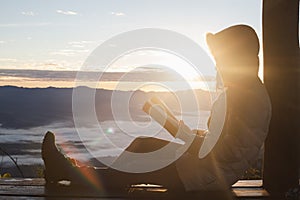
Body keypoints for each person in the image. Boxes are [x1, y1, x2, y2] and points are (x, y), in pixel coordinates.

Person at [42, 24, 271, 192]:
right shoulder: (244, 91)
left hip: (208, 177)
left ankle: (71, 172)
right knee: (143, 144)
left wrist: (168, 123)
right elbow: (216, 143)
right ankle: (112, 179)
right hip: (207, 169)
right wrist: (167, 119)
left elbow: (216, 152)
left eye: (221, 59)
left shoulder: (247, 99)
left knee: (136, 166)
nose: (217, 66)